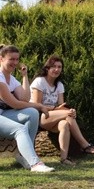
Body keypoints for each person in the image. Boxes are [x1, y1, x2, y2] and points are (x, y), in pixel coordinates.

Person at [30, 55, 94, 165]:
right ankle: (85, 145)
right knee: (67, 114)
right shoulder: (39, 81)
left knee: (64, 123)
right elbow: (36, 104)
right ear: (47, 68)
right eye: (54, 66)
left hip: (54, 116)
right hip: (39, 116)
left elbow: (61, 105)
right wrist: (57, 109)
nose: (57, 69)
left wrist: (70, 111)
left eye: (59, 67)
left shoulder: (59, 85)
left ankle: (64, 159)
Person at [0, 45, 55, 173]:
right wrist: (39, 105)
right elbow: (15, 104)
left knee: (32, 113)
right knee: (19, 129)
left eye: (17, 59)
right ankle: (35, 164)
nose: (15, 62)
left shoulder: (11, 79)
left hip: (3, 113)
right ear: (1, 59)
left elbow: (24, 98)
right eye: (11, 59)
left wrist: (24, 76)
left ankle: (24, 156)